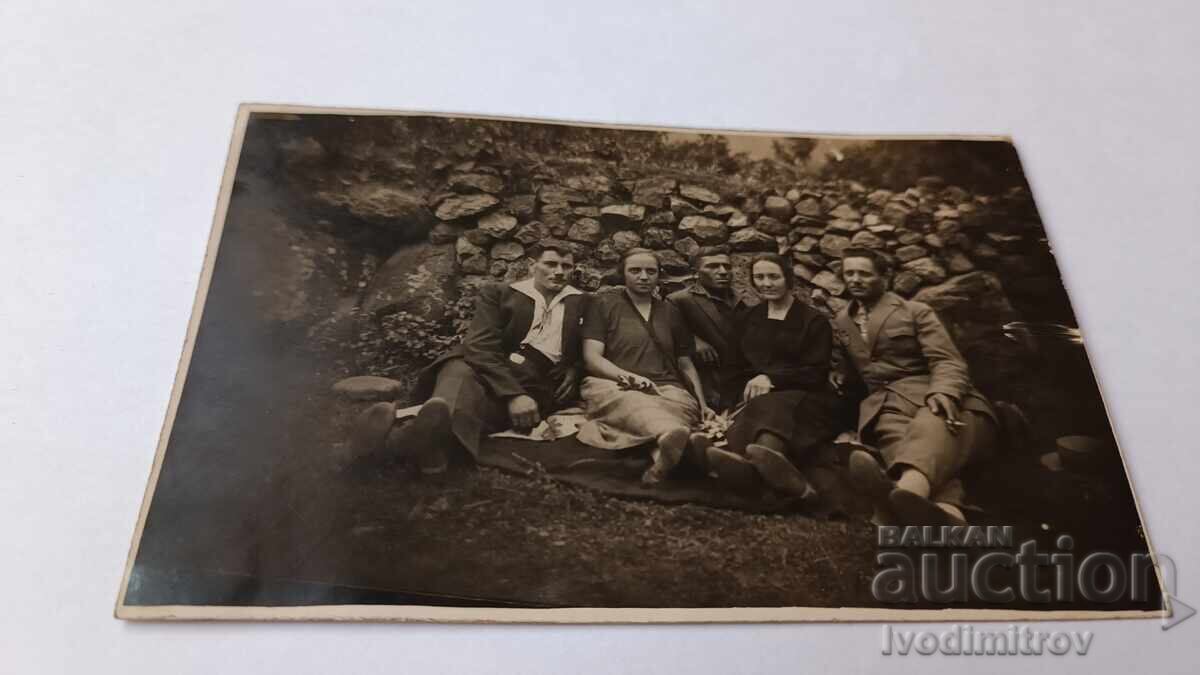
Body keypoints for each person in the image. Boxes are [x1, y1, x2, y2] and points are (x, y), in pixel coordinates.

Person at [351, 242, 587, 474]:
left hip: (532, 380)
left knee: (474, 411)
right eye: (551, 264)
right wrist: (514, 394)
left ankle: (395, 442)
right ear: (532, 265)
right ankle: (429, 444)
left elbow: (591, 344)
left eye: (566, 266)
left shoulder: (582, 302)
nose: (558, 272)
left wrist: (574, 367)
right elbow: (480, 345)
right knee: (458, 375)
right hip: (478, 364)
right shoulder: (500, 294)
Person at [833, 247, 998, 526]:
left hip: (933, 394)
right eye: (849, 273)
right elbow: (847, 374)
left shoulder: (915, 311)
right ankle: (949, 515)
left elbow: (947, 360)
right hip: (885, 406)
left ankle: (902, 495)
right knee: (900, 442)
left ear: (884, 277)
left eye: (864, 273)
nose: (855, 279)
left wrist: (944, 392)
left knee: (929, 429)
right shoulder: (842, 321)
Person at [698, 254, 839, 502]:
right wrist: (729, 403)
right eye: (759, 277)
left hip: (805, 396)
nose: (766, 283)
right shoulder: (747, 318)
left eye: (773, 276)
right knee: (759, 406)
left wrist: (771, 378)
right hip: (752, 396)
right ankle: (763, 470)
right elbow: (733, 367)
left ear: (788, 279)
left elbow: (816, 372)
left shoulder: (813, 321)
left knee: (773, 404)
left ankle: (759, 460)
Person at [576, 248, 714, 484]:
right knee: (634, 402)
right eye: (635, 270)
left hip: (666, 387)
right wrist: (626, 377)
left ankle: (664, 454)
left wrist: (701, 403)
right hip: (613, 384)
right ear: (623, 274)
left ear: (659, 275)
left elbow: (685, 362)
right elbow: (592, 357)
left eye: (651, 271)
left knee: (677, 404)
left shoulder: (670, 311)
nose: (643, 276)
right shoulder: (603, 304)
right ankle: (680, 443)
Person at [667, 247, 738, 410]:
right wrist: (694, 340)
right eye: (712, 266)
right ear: (695, 272)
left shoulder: (742, 300)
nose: (722, 272)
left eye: (727, 266)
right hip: (706, 378)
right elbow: (674, 340)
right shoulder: (679, 300)